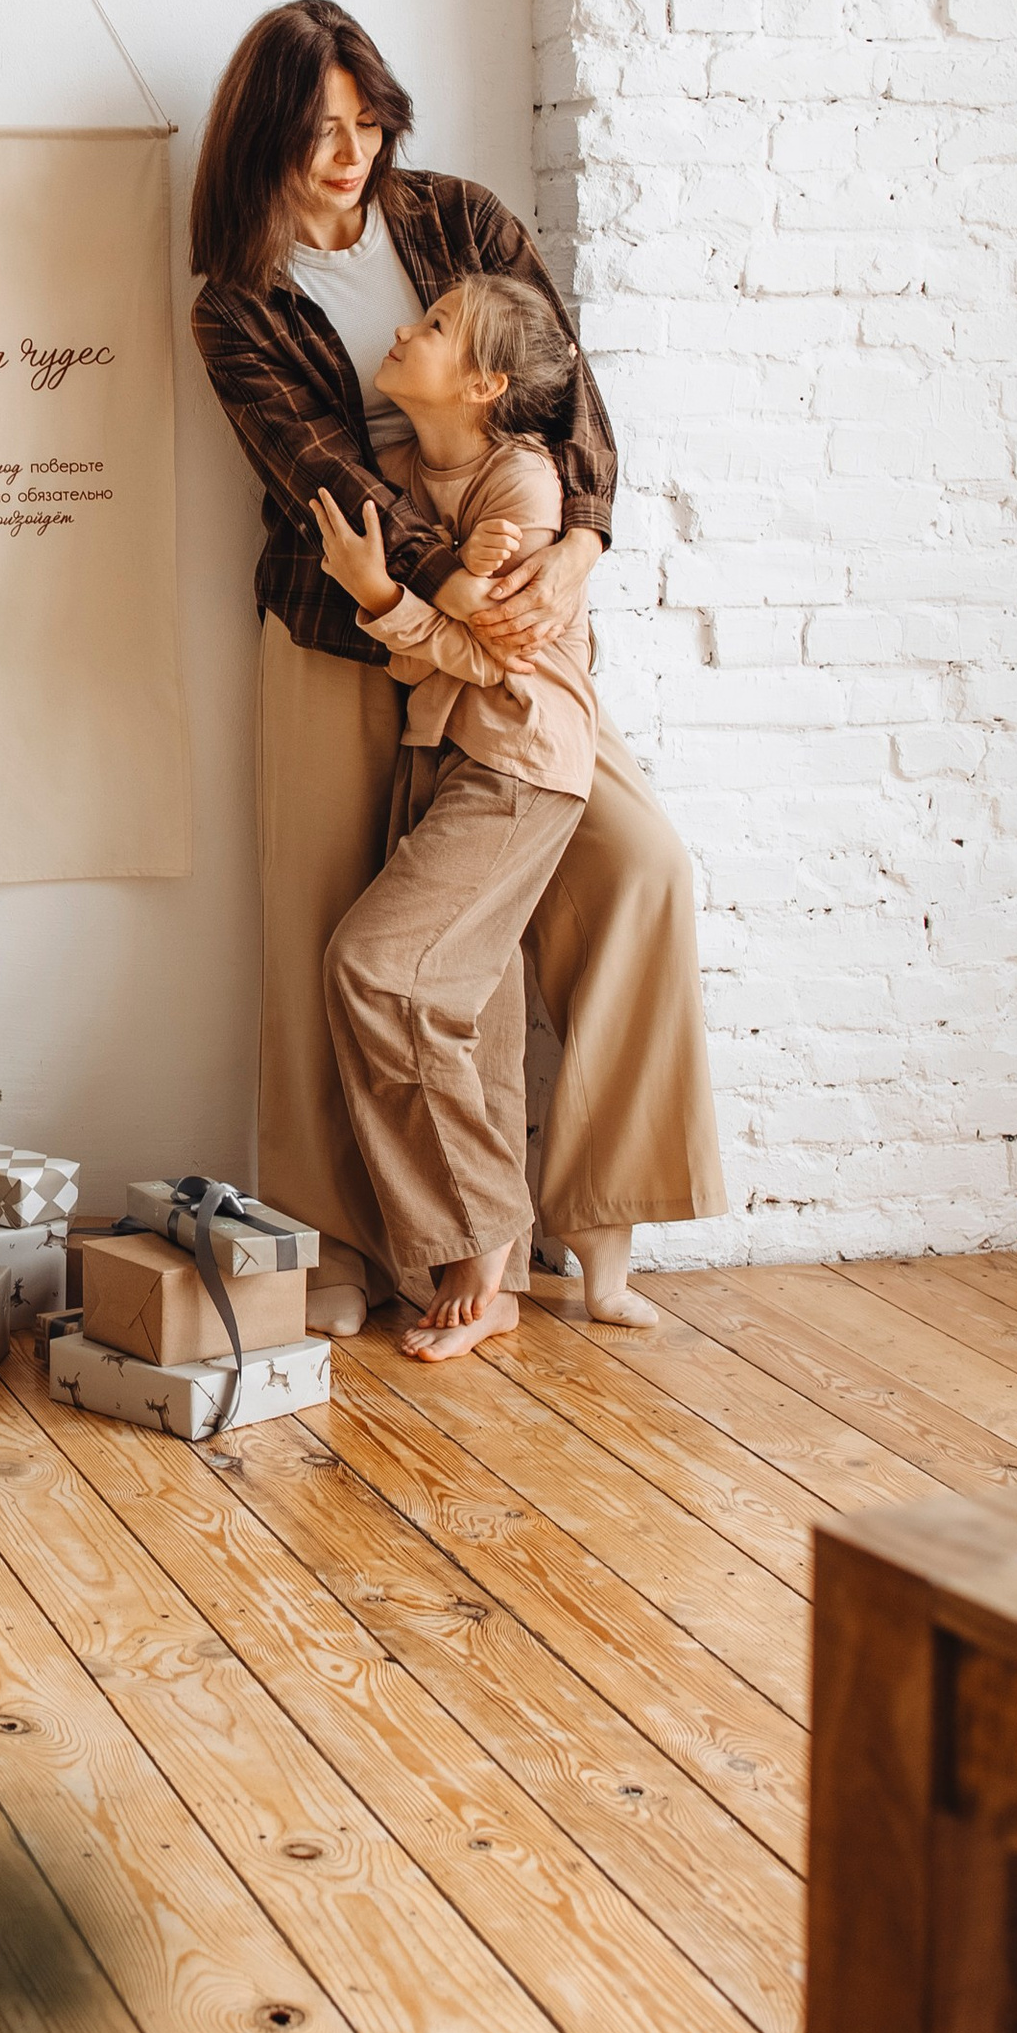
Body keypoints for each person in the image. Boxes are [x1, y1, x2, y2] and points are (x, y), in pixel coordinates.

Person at [190, 0, 723, 1334]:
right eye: (318, 131)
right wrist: (460, 595)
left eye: (367, 124)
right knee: (340, 936)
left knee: (638, 864)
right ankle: (347, 1248)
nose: (347, 155)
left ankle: (595, 1221)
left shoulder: (462, 223)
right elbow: (318, 471)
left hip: (508, 635)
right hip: (338, 626)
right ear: (267, 137)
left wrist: (583, 542)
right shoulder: (235, 308)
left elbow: (564, 390)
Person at [312, 272, 596, 1360]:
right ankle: (495, 1264)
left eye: (431, 328)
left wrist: (382, 596)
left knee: (375, 970)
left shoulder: (522, 484)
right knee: (452, 1003)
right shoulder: (401, 473)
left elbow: (490, 652)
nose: (400, 328)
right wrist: (420, 584)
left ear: (484, 384)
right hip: (452, 756)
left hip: (521, 764)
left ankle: (484, 1238)